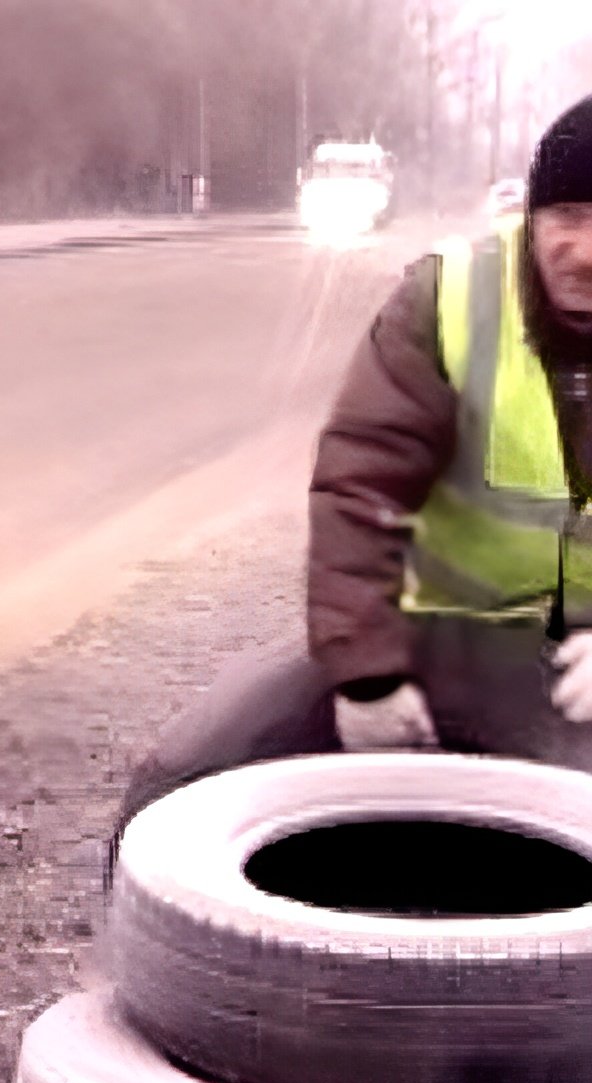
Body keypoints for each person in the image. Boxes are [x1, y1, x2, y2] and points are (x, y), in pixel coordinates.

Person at [116, 96, 592, 838]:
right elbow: (361, 484)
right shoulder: (452, 299)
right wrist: (367, 673)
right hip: (436, 635)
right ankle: (137, 947)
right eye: (566, 217)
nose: (584, 252)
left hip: (578, 664)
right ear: (531, 216)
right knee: (189, 770)